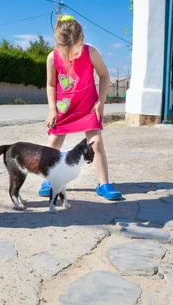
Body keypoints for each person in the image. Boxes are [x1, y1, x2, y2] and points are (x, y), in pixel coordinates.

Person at [38, 15, 123, 200]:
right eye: (66, 53)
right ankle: (49, 180)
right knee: (53, 144)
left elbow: (104, 76)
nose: (71, 56)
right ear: (57, 44)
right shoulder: (52, 57)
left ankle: (104, 184)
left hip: (88, 107)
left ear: (82, 40)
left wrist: (101, 101)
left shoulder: (91, 52)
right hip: (64, 108)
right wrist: (52, 109)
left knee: (97, 143)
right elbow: (51, 84)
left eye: (75, 52)